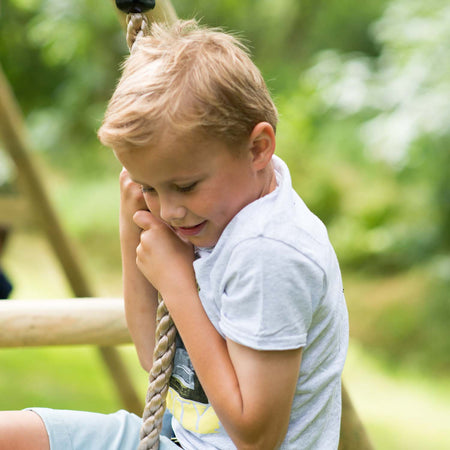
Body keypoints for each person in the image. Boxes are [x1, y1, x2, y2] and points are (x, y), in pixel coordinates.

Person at [0, 19, 348, 450]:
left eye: (184, 186)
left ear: (258, 148)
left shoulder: (268, 251)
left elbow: (257, 437)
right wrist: (135, 231)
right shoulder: (221, 214)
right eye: (149, 187)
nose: (169, 210)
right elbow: (158, 362)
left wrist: (177, 282)